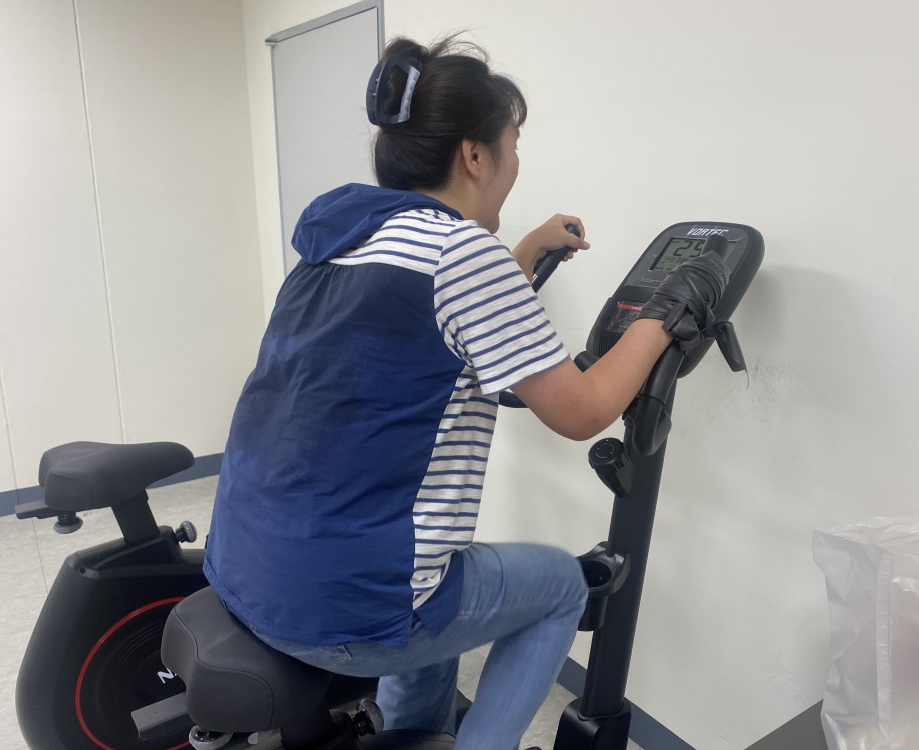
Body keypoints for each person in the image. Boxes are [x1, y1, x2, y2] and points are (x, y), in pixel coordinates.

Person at [204, 35, 729, 750]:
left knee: (443, 564)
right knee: (560, 587)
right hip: (345, 608)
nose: (515, 161)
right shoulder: (462, 255)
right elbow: (582, 411)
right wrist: (668, 313)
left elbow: (424, 329)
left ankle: (412, 733)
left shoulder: (342, 238)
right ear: (475, 156)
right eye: (513, 145)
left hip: (250, 566)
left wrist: (526, 253)